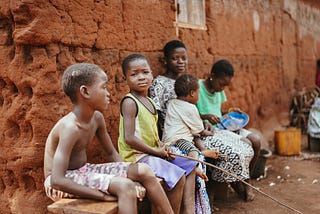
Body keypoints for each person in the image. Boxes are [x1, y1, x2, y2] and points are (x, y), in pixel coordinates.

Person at [43, 63, 174, 214]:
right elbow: (57, 180)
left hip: (83, 171)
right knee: (124, 187)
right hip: (58, 181)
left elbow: (112, 153)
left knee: (144, 170)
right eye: (103, 87)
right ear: (85, 92)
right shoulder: (70, 128)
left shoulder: (97, 118)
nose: (108, 93)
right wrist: (102, 196)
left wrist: (126, 173)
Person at [149, 40, 255, 202]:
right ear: (165, 60)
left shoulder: (185, 81)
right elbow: (157, 116)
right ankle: (215, 191)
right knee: (233, 151)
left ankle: (234, 182)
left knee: (245, 145)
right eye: (174, 58)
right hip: (178, 137)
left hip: (194, 131)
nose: (180, 62)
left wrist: (203, 120)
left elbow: (194, 114)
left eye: (183, 58)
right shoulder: (159, 83)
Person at [117, 54, 198, 214]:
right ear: (125, 78)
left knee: (189, 164)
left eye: (145, 72)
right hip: (136, 156)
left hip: (151, 153)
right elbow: (130, 138)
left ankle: (188, 211)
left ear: (152, 74)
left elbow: (152, 135)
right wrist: (156, 151)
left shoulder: (151, 102)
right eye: (134, 74)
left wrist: (163, 148)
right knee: (177, 176)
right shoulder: (130, 102)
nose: (141, 77)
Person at [196, 59, 261, 182]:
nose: (223, 88)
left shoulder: (218, 90)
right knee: (247, 143)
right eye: (221, 84)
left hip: (224, 126)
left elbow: (219, 111)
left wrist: (231, 112)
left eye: (226, 85)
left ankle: (246, 179)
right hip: (210, 131)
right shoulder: (197, 88)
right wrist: (205, 116)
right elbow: (190, 114)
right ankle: (239, 182)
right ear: (212, 76)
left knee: (256, 141)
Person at [162, 74, 219, 181]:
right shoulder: (191, 107)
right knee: (193, 151)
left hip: (169, 139)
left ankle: (203, 151)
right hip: (179, 140)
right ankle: (195, 166)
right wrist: (210, 133)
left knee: (195, 137)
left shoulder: (172, 103)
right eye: (198, 92)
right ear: (192, 93)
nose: (199, 95)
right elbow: (201, 131)